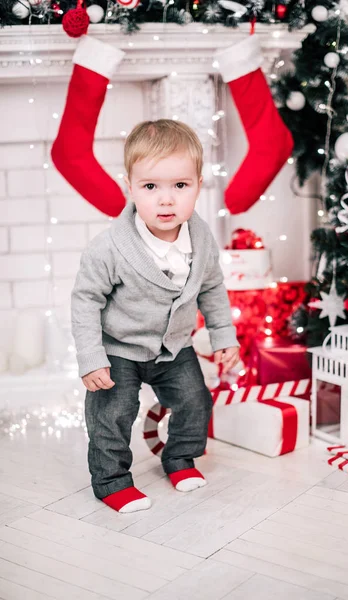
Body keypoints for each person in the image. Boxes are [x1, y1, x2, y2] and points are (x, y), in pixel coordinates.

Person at [71, 119, 240, 513]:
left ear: (199, 184)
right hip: (120, 348)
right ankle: (111, 480)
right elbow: (85, 302)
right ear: (130, 187)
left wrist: (223, 335)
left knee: (195, 401)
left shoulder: (200, 238)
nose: (166, 200)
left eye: (180, 186)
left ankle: (180, 458)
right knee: (112, 413)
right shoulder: (109, 248)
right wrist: (92, 358)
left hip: (174, 346)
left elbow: (212, 287)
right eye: (150, 187)